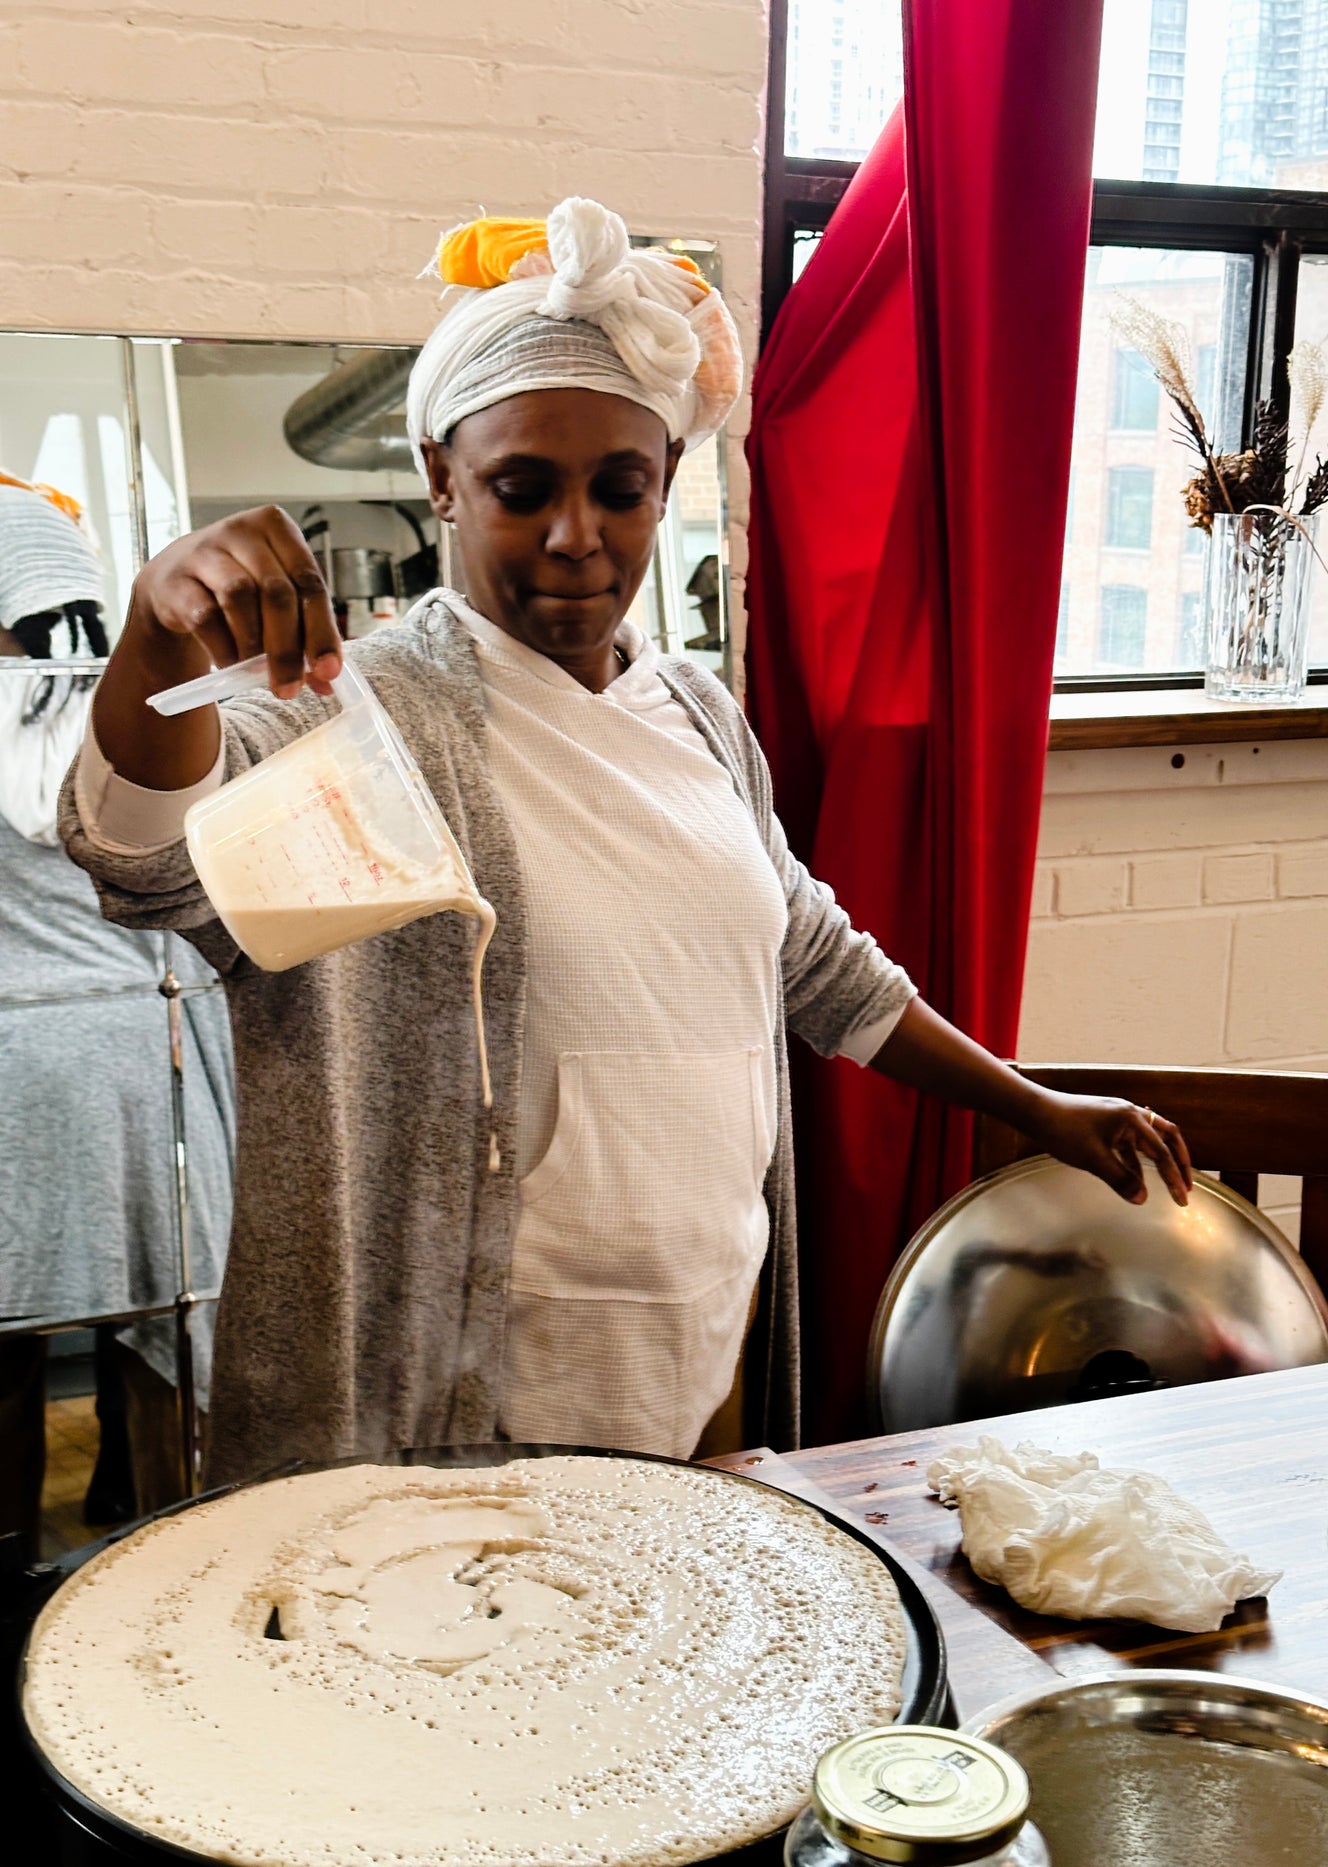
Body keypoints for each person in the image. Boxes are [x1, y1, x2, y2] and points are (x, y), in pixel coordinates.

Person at [61, 198, 1191, 1488]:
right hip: (459, 1393)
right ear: (441, 478)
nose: (574, 536)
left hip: (699, 1347)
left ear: (666, 487)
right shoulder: (356, 715)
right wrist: (155, 629)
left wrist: (1030, 1105)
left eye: (620, 488)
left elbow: (812, 960)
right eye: (520, 489)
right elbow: (139, 861)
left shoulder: (699, 711)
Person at [0, 476, 235, 1555]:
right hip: (160, 1043)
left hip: (26, 1062)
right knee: (164, 1326)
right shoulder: (138, 714)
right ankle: (154, 1534)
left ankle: (11, 1556)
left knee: (12, 1336)